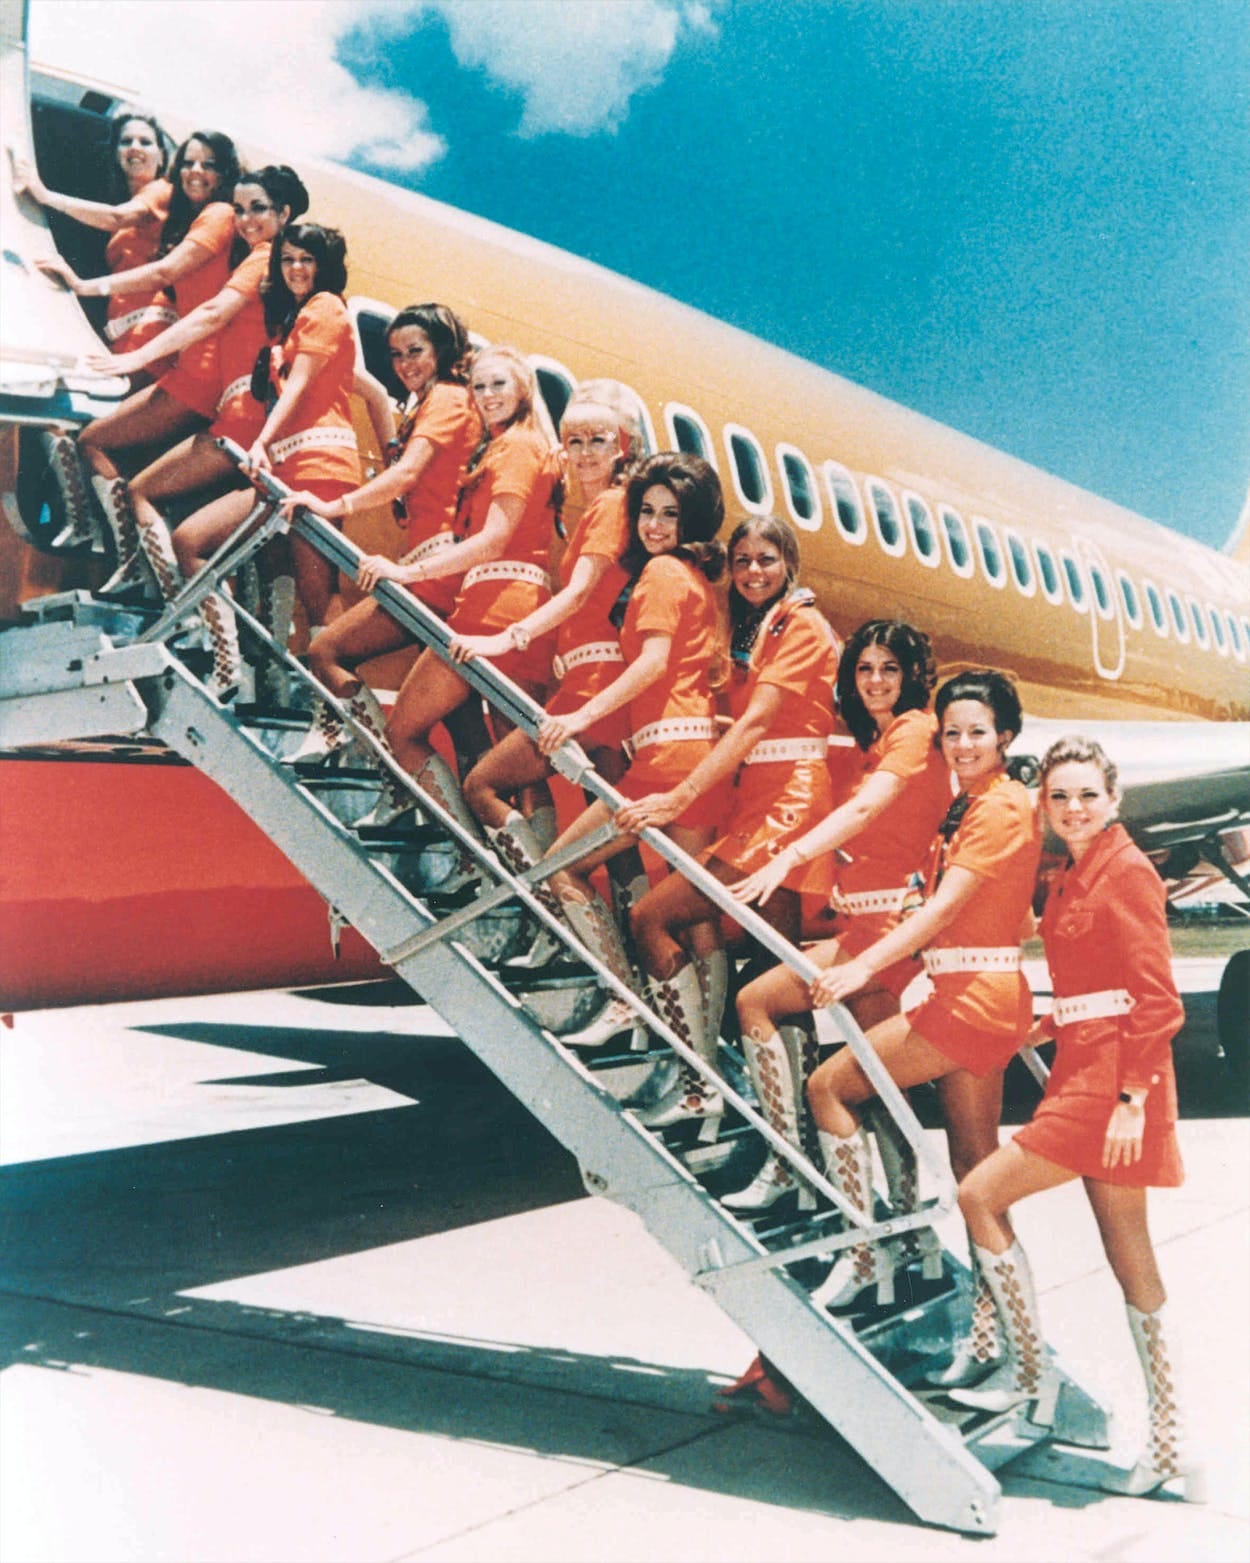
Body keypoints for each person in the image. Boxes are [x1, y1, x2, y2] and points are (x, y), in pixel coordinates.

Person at [953, 737, 1201, 1496]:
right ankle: (1169, 1446)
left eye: (1088, 794)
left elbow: (1159, 1001)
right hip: (1087, 1065)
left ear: (1114, 798)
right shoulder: (1070, 875)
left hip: (1114, 1086)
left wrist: (1131, 1099)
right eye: (1060, 797)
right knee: (1134, 1261)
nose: (1074, 808)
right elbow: (1102, 985)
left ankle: (1033, 1377)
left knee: (978, 1194)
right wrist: (1048, 1024)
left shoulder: (1125, 870)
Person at [795, 669, 1040, 1314]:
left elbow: (940, 911)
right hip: (976, 993)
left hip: (968, 1002)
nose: (961, 744)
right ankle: (1006, 1345)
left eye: (977, 733)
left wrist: (859, 967)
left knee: (827, 1088)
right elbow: (1015, 919)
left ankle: (865, 1253)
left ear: (1006, 735)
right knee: (976, 1178)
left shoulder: (998, 805)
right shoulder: (973, 805)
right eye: (952, 733)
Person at [615, 514, 840, 1134]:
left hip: (788, 797)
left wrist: (678, 796)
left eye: (766, 559)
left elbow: (756, 724)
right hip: (758, 799)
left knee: (653, 916)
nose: (752, 571)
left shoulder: (802, 626)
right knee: (776, 966)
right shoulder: (758, 630)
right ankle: (788, 1124)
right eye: (741, 560)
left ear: (789, 563)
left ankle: (702, 1084)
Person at [726, 619, 950, 1213]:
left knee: (757, 1001)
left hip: (884, 933)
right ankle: (907, 1221)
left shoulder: (914, 730)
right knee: (877, 1082)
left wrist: (792, 856)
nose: (875, 681)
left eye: (889, 669)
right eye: (865, 669)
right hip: (870, 929)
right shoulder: (878, 742)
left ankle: (790, 1163)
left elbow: (871, 808)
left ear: (912, 676)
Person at [532, 452, 727, 1122]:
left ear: (692, 520)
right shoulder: (695, 576)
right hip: (693, 752)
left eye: (671, 514)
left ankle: (621, 996)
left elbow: (650, 662)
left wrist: (580, 716)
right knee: (693, 922)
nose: (653, 524)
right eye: (646, 511)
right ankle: (704, 1078)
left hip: (665, 757)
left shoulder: (664, 576)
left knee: (560, 870)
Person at [451, 379, 646, 964]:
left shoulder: (611, 506)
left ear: (624, 448)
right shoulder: (599, 508)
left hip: (592, 687)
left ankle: (556, 920)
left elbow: (583, 588)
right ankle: (635, 965)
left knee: (483, 784)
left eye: (598, 440)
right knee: (623, 850)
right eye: (574, 440)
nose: (584, 451)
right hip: (598, 683)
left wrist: (513, 634)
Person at [351, 345, 559, 857]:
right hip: (524, 607)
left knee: (403, 731)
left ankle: (471, 851)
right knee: (519, 757)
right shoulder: (525, 448)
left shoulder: (514, 449)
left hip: (494, 605)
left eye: (499, 385)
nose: (487, 397)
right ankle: (551, 888)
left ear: (523, 391)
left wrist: (407, 571)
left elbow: (492, 539)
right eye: (480, 387)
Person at [75, 165, 309, 606]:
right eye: (239, 209)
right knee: (190, 531)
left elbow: (212, 314)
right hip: (242, 409)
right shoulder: (281, 263)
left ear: (285, 213)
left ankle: (169, 599)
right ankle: (185, 606)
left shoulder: (265, 258)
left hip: (242, 411)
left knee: (140, 490)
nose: (244, 220)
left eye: (258, 208)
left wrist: (134, 357)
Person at [277, 302, 480, 758]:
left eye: (416, 351)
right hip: (437, 560)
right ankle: (485, 828)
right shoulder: (431, 402)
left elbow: (406, 474)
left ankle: (345, 737)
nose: (405, 364)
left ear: (442, 350)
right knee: (464, 725)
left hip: (434, 562)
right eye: (395, 355)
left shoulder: (446, 399)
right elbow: (405, 466)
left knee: (327, 650)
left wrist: (335, 503)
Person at [13, 107, 177, 370]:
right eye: (126, 141)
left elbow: (116, 217)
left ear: (161, 158)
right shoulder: (135, 200)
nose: (135, 147)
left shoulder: (160, 192)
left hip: (149, 324)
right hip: (126, 325)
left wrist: (45, 196)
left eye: (145, 142)